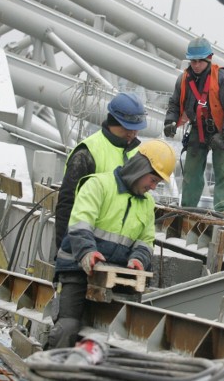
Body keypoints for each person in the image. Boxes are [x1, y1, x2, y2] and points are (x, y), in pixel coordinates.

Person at [48, 139, 177, 349]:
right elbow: (80, 225)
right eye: (152, 180)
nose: (152, 187)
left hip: (115, 274)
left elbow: (145, 241)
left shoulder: (147, 203)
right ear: (139, 169)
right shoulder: (98, 185)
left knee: (117, 335)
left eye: (157, 183)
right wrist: (88, 253)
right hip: (76, 268)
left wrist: (138, 259)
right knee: (68, 327)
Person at [54, 91, 147, 252]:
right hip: (86, 250)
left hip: (119, 256)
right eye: (128, 128)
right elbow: (67, 205)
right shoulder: (87, 153)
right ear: (114, 121)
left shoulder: (136, 154)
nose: (133, 133)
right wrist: (66, 251)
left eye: (136, 129)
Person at [163, 37, 224, 215]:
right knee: (191, 172)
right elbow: (175, 103)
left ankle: (223, 213)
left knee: (223, 173)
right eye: (193, 61)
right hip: (198, 128)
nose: (197, 65)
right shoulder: (184, 80)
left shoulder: (223, 78)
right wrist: (170, 121)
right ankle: (187, 210)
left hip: (222, 130)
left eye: (200, 61)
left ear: (209, 58)